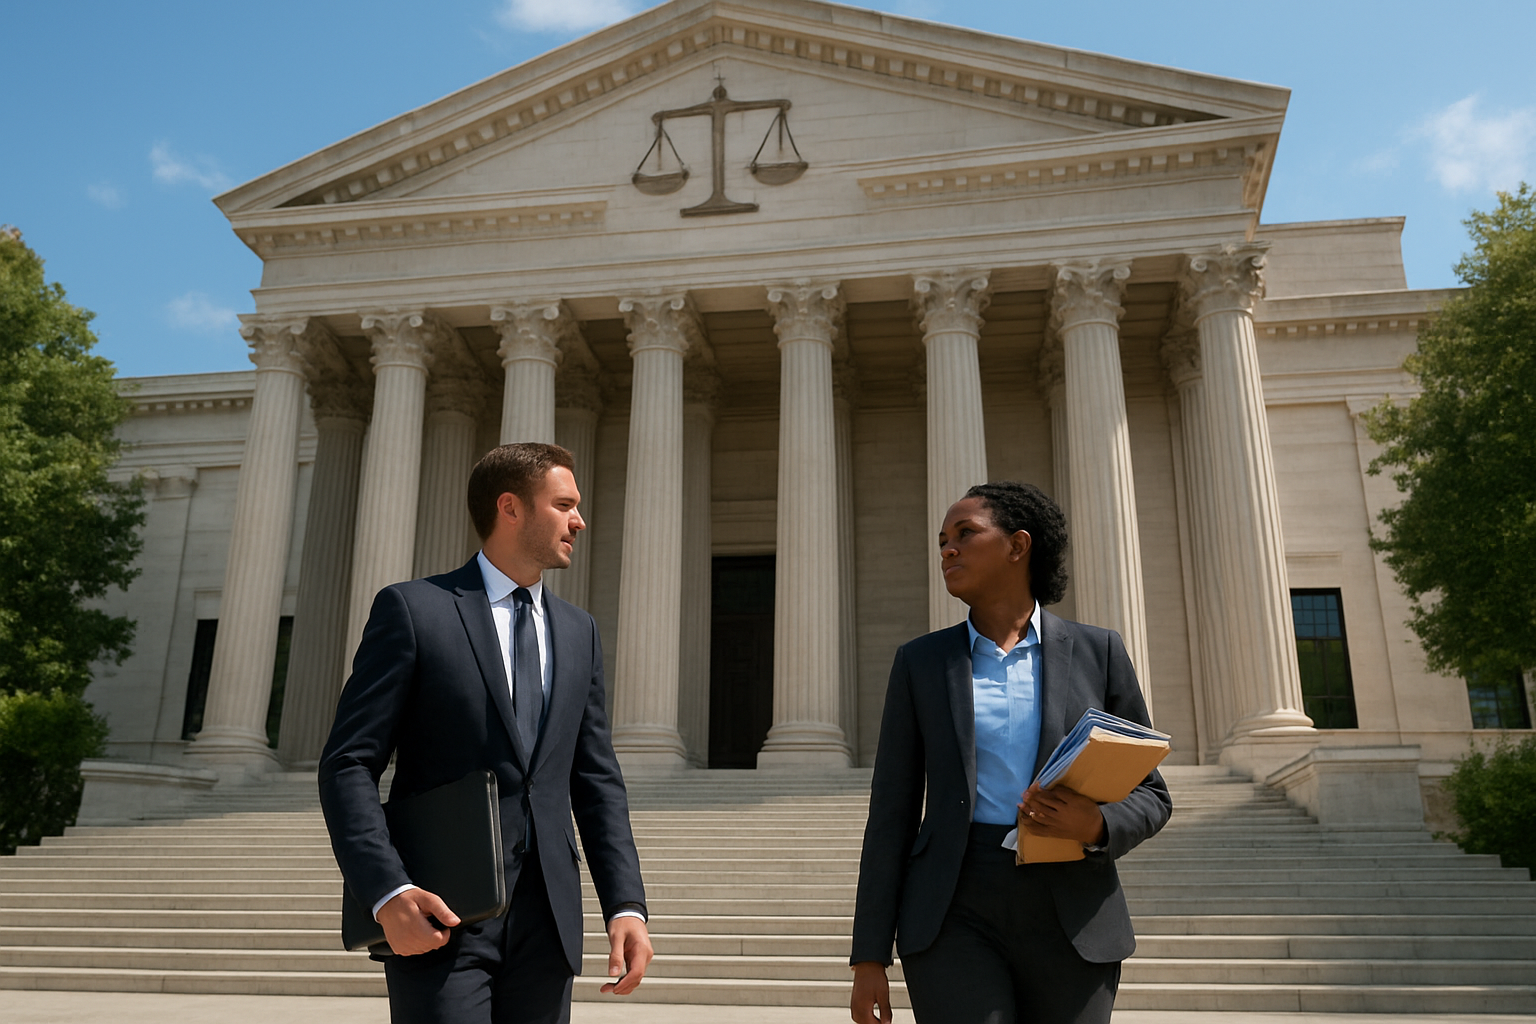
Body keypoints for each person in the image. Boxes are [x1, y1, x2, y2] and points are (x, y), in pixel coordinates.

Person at [319, 442, 652, 1024]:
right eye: (565, 504)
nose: (580, 519)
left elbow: (596, 779)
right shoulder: (414, 610)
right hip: (441, 916)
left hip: (548, 925)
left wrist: (626, 905)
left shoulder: (581, 633)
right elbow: (347, 762)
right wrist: (387, 893)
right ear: (511, 508)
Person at [850, 481, 1172, 1024]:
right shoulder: (921, 664)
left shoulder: (1101, 652)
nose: (947, 549)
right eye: (942, 540)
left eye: (965, 534)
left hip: (1071, 906)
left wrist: (1096, 823)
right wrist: (869, 956)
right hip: (955, 906)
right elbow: (892, 813)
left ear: (1018, 546)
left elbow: (1152, 794)